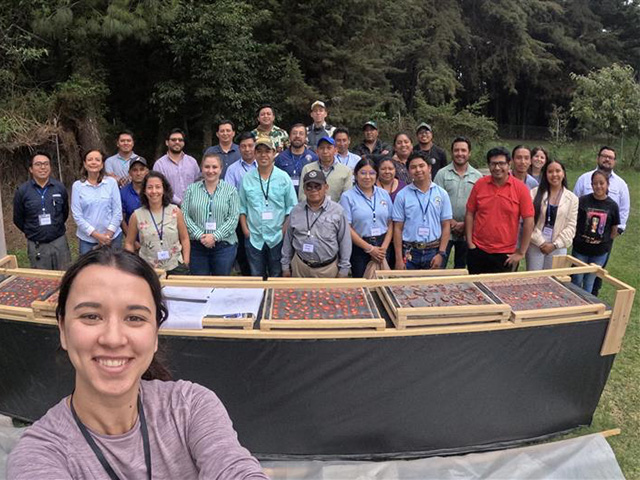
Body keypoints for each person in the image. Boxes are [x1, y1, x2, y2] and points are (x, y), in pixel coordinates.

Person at [7, 249, 268, 479]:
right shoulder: (39, 455)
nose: (113, 338)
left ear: (155, 333)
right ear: (63, 329)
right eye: (91, 316)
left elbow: (233, 468)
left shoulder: (190, 407)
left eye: (134, 318)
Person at [465, 147, 535, 274]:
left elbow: (529, 221)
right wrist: (470, 243)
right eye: (493, 164)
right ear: (489, 165)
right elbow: (470, 213)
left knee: (501, 292)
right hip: (478, 249)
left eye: (501, 164)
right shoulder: (480, 185)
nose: (497, 168)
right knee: (475, 290)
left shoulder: (521, 189)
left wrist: (521, 252)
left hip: (506, 254)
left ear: (509, 164)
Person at [573, 146, 630, 295]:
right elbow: (573, 204)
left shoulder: (621, 184)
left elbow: (623, 210)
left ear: (614, 161)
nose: (607, 159)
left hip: (603, 241)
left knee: (594, 278)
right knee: (576, 277)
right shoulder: (584, 179)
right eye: (604, 156)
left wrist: (613, 234)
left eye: (610, 157)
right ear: (598, 158)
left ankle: (590, 301)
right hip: (581, 243)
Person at [239, 138, 297, 278]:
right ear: (255, 154)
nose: (263, 155)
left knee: (276, 275)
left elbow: (292, 207)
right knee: (256, 275)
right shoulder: (247, 178)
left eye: (267, 151)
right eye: (259, 152)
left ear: (274, 153)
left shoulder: (283, 178)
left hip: (277, 236)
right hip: (254, 237)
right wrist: (246, 231)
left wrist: (283, 231)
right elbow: (242, 207)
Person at [282, 170, 351, 278]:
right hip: (300, 267)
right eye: (309, 187)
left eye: (317, 186)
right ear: (304, 190)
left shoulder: (337, 211)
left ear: (326, 187)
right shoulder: (296, 211)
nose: (313, 190)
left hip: (327, 269)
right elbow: (288, 240)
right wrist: (285, 266)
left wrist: (344, 269)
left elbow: (345, 241)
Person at [392, 152, 452, 270]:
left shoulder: (441, 194)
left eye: (421, 166)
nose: (418, 170)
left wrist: (441, 253)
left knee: (432, 288)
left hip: (433, 251)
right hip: (409, 252)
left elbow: (446, 225)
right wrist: (399, 258)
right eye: (413, 167)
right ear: (408, 171)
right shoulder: (402, 195)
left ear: (429, 168)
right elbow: (397, 228)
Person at [182, 154, 240, 276]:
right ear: (201, 168)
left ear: (221, 169)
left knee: (220, 284)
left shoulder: (231, 191)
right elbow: (184, 216)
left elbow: (233, 218)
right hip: (197, 246)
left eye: (214, 167)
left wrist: (214, 237)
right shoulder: (191, 190)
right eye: (207, 167)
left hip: (224, 246)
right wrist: (200, 235)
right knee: (200, 285)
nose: (210, 171)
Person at [13, 152, 72, 270]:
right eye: (38, 164)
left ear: (50, 167)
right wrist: (33, 231)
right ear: (31, 169)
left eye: (46, 164)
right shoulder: (22, 191)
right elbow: (18, 218)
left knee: (64, 276)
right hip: (37, 244)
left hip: (59, 241)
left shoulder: (59, 188)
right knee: (41, 282)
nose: (43, 167)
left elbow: (64, 213)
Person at [125, 172, 190, 275]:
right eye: (150, 187)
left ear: (164, 189)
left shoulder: (175, 211)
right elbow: (129, 243)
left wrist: (185, 262)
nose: (154, 191)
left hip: (175, 265)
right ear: (145, 191)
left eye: (158, 187)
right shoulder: (137, 215)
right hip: (148, 269)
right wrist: (132, 265)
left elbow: (185, 238)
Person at [434, 136, 483, 269]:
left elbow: (480, 206)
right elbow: (436, 202)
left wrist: (464, 224)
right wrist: (451, 223)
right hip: (445, 229)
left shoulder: (478, 177)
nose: (460, 153)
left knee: (461, 268)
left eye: (463, 150)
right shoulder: (442, 174)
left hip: (467, 230)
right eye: (456, 150)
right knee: (439, 266)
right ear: (451, 152)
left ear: (469, 153)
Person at [340, 159, 393, 277]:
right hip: (360, 247)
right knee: (363, 286)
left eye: (372, 173)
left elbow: (390, 223)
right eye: (363, 173)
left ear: (377, 175)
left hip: (383, 246)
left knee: (384, 286)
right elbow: (347, 227)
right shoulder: (347, 197)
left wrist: (383, 248)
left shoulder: (383, 194)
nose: (367, 177)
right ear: (355, 174)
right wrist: (369, 248)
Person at [571, 170, 620, 293]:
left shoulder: (612, 205)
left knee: (589, 281)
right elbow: (574, 221)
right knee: (576, 278)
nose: (598, 186)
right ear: (591, 185)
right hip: (580, 248)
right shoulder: (582, 201)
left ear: (607, 184)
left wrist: (605, 243)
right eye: (595, 183)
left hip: (599, 252)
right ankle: (574, 305)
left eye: (601, 183)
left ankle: (586, 308)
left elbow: (614, 229)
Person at [525, 160, 578, 270]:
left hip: (558, 246)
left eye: (558, 171)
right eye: (550, 171)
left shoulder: (572, 199)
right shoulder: (534, 193)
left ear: (563, 173)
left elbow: (571, 226)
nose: (554, 175)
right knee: (533, 280)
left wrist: (554, 244)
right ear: (545, 174)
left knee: (554, 282)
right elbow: (529, 222)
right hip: (535, 244)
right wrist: (541, 242)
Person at [72, 149, 123, 255]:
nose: (93, 162)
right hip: (87, 240)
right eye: (90, 160)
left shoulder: (111, 183)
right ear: (85, 164)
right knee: (88, 269)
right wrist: (97, 235)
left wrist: (107, 235)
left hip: (112, 238)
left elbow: (117, 211)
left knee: (113, 269)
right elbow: (77, 215)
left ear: (102, 165)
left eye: (97, 160)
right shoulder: (77, 186)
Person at [225, 132, 257, 276]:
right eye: (243, 146)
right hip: (241, 216)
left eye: (250, 145)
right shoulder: (232, 169)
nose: (247, 149)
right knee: (243, 254)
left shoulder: (263, 165)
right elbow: (230, 195)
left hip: (260, 216)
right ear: (239, 149)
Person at [152, 128, 200, 206]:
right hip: (169, 209)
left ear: (183, 143)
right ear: (167, 142)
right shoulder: (159, 164)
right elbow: (161, 188)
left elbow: (199, 184)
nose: (177, 142)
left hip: (193, 207)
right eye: (173, 140)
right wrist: (180, 202)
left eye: (180, 140)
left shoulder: (192, 162)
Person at [299, 137, 352, 203]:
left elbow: (346, 197)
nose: (325, 151)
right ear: (317, 151)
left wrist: (335, 209)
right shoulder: (308, 169)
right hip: (311, 210)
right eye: (321, 148)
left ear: (335, 151)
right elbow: (302, 195)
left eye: (329, 148)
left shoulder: (346, 171)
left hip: (336, 211)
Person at [275, 123, 318, 193]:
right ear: (289, 137)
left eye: (301, 134)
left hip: (306, 198)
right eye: (294, 133)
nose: (297, 136)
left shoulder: (313, 158)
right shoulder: (280, 158)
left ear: (306, 137)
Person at [120, 157, 149, 237]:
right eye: (135, 170)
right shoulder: (123, 192)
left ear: (147, 171)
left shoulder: (153, 190)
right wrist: (131, 239)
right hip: (133, 238)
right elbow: (122, 220)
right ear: (129, 172)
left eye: (142, 169)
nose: (138, 173)